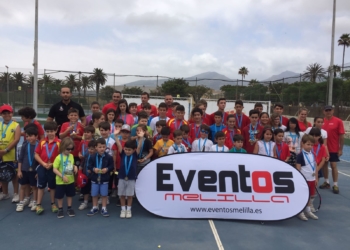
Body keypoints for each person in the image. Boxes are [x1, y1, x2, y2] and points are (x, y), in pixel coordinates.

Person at [34, 121, 61, 215]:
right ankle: (38, 204)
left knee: (52, 186)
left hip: (53, 168)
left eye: (52, 131)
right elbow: (36, 154)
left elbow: (61, 157)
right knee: (40, 186)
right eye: (48, 131)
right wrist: (43, 163)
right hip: (42, 167)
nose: (50, 133)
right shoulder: (42, 142)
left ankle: (53, 203)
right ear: (45, 131)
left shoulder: (59, 143)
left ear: (56, 130)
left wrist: (53, 164)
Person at [114, 129, 142, 218]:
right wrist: (115, 136)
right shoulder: (122, 153)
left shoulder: (135, 154)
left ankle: (128, 210)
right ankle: (123, 210)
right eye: (126, 149)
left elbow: (139, 147)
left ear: (133, 150)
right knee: (122, 195)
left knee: (130, 195)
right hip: (122, 177)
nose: (127, 151)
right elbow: (118, 144)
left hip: (131, 178)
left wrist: (140, 138)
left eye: (129, 150)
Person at [320, 105, 345, 194]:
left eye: (330, 110)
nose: (328, 112)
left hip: (334, 148)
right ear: (324, 112)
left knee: (333, 165)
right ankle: (327, 182)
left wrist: (340, 149)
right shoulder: (321, 121)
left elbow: (342, 136)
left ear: (333, 111)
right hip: (323, 148)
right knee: (324, 165)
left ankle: (335, 184)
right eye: (326, 110)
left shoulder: (338, 121)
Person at [87, 138, 114, 217]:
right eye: (99, 147)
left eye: (103, 146)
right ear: (96, 147)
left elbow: (112, 166)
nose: (102, 148)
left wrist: (107, 169)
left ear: (105, 147)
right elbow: (89, 166)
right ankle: (95, 207)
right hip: (95, 178)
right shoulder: (92, 157)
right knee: (94, 194)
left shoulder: (109, 157)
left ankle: (104, 208)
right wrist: (93, 169)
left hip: (104, 179)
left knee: (104, 195)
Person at [52, 137, 78, 218]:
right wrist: (62, 176)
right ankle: (60, 209)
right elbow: (54, 169)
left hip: (70, 180)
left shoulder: (71, 156)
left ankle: (69, 208)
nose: (70, 151)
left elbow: (71, 164)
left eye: (72, 149)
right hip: (60, 181)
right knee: (60, 196)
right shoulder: (58, 158)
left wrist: (75, 167)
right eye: (68, 149)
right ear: (63, 147)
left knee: (69, 195)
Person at [0, 104, 21, 202]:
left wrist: (6, 150)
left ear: (11, 113)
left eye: (8, 112)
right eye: (4, 113)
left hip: (11, 154)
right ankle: (5, 193)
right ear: (1, 114)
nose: (6, 115)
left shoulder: (16, 125)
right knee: (2, 174)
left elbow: (16, 139)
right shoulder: (0, 124)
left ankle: (16, 193)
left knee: (14, 174)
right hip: (0, 155)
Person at [296, 135, 319, 221]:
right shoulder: (300, 155)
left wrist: (316, 178)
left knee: (309, 195)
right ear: (302, 144)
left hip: (311, 179)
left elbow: (315, 166)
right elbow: (298, 168)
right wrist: (299, 179)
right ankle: (300, 212)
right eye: (308, 144)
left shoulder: (313, 154)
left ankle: (308, 211)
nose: (310, 146)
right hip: (304, 180)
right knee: (302, 196)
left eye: (312, 145)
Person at [16, 125, 39, 212]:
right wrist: (19, 170)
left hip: (34, 170)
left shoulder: (39, 145)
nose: (29, 138)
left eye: (31, 136)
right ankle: (22, 202)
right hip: (24, 169)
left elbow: (40, 160)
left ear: (36, 136)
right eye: (27, 136)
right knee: (23, 186)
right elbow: (20, 158)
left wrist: (38, 172)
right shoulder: (25, 144)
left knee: (34, 187)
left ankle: (34, 201)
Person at [308, 127, 327, 211]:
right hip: (308, 169)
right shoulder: (307, 145)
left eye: (316, 135)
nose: (314, 137)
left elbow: (323, 160)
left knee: (314, 187)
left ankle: (311, 204)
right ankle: (305, 203)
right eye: (312, 135)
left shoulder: (322, 147)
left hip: (317, 170)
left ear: (320, 136)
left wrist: (317, 170)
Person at [78, 140, 96, 210]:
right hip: (85, 175)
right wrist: (80, 169)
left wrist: (92, 170)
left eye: (92, 149)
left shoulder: (96, 156)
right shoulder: (87, 154)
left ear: (96, 148)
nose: (90, 150)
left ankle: (95, 204)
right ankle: (85, 203)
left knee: (94, 190)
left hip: (93, 176)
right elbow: (83, 162)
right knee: (85, 189)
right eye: (89, 148)